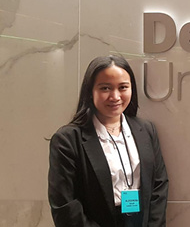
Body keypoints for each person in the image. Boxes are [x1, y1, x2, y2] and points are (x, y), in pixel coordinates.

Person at [48, 55, 169, 227]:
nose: (115, 96)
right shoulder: (67, 140)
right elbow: (64, 205)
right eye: (105, 88)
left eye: (123, 87)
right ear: (90, 91)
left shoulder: (146, 130)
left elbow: (159, 185)